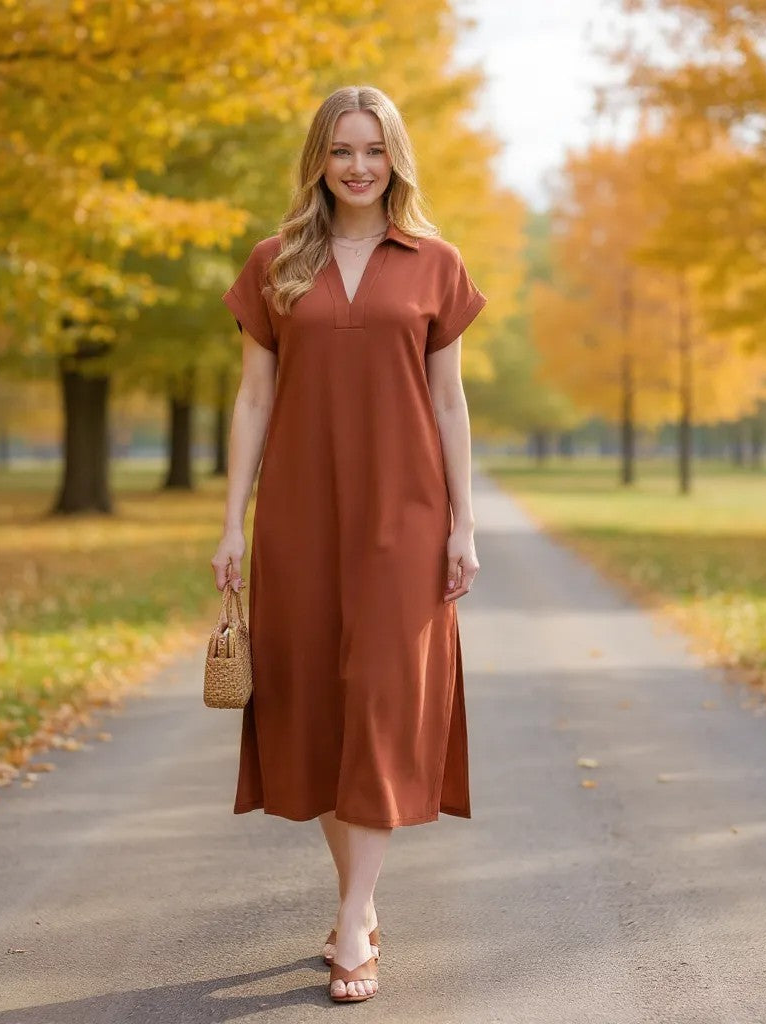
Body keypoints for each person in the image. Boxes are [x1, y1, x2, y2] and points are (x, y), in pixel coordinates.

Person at [211, 83, 487, 1004]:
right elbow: (253, 398)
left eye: (373, 149)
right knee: (320, 708)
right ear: (319, 160)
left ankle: (356, 919)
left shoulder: (436, 262)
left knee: (380, 701)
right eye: (341, 150)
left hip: (405, 518)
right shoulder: (276, 262)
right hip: (298, 514)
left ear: (394, 157)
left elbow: (448, 401)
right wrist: (231, 523)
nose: (358, 166)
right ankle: (355, 905)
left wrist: (463, 520)